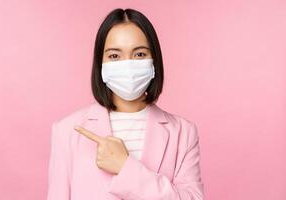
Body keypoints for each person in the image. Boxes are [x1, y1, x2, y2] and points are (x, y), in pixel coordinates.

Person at [47, 8, 204, 200]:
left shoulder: (183, 133)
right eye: (114, 56)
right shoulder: (66, 131)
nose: (127, 65)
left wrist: (126, 167)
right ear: (101, 65)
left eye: (139, 54)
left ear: (154, 61)